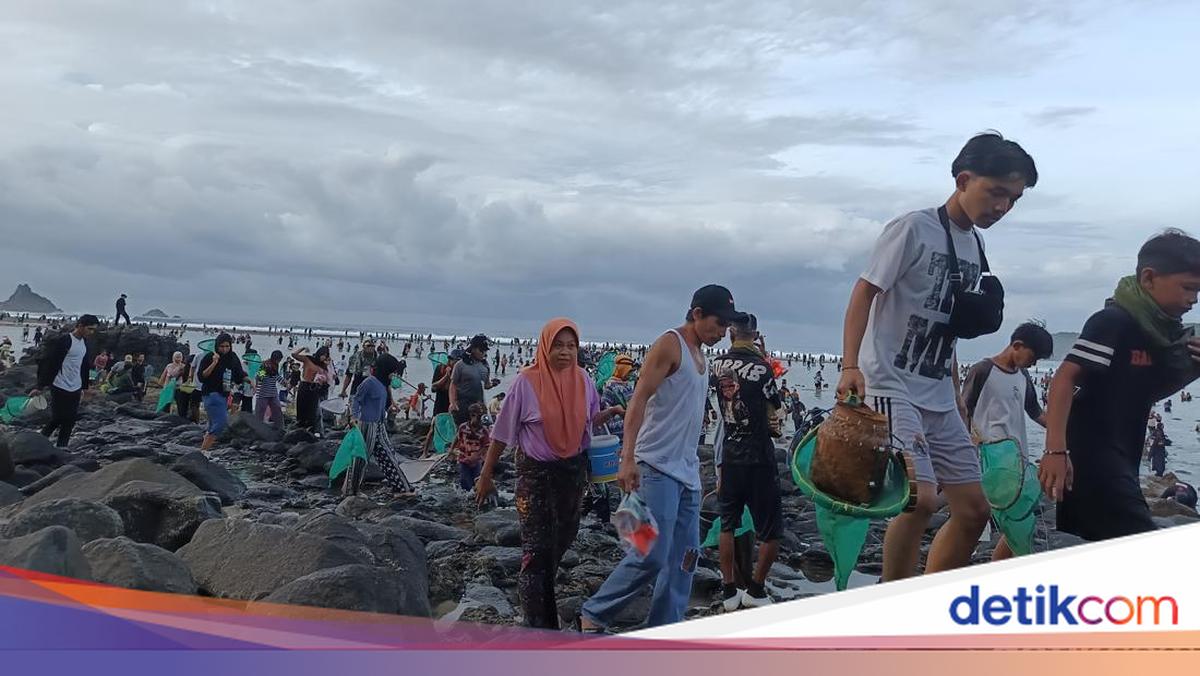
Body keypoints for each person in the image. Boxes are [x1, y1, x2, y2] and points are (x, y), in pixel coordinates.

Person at [836, 132, 1038, 580]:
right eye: (996, 192)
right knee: (921, 498)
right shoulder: (913, 228)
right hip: (890, 384)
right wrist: (850, 366)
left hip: (940, 395)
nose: (1003, 206)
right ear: (963, 180)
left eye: (1013, 199)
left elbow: (946, 330)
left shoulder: (975, 245)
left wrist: (957, 397)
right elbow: (864, 291)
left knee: (974, 509)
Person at [580, 285, 743, 632]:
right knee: (650, 554)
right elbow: (638, 399)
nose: (723, 332)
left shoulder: (702, 356)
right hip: (654, 467)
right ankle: (593, 614)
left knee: (685, 559)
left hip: (687, 474)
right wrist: (627, 458)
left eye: (728, 326)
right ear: (697, 314)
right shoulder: (670, 344)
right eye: (719, 323)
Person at [1041, 230, 1200, 540]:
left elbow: (1144, 394)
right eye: (1187, 288)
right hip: (1090, 456)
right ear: (1149, 278)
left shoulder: (1157, 333)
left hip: (1125, 457)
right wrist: (1055, 451)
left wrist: (1192, 370)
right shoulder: (1114, 322)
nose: (1193, 300)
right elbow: (1063, 378)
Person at [476, 318, 623, 629]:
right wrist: (486, 475)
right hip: (536, 476)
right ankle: (538, 623)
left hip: (572, 472)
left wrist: (608, 414)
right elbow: (501, 434)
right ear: (545, 347)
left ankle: (542, 605)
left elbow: (587, 420)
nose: (565, 352)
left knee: (563, 538)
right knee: (536, 551)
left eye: (571, 346)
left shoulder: (583, 379)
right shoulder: (525, 383)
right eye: (558, 345)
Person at [960, 322, 1054, 560]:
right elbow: (963, 410)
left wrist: (1062, 432)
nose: (1034, 364)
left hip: (1017, 461)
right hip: (989, 459)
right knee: (982, 522)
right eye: (1033, 357)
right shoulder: (982, 370)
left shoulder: (1023, 376)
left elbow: (1036, 412)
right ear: (1017, 345)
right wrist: (967, 444)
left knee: (1018, 521)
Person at [710, 313, 783, 610]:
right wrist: (763, 359)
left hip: (730, 453)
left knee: (727, 524)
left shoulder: (717, 365)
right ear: (755, 335)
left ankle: (729, 590)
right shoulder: (762, 367)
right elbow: (776, 405)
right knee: (772, 530)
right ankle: (756, 589)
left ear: (731, 334)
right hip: (759, 456)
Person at [343, 354, 413, 496]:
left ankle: (401, 487)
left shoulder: (383, 385)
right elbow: (356, 400)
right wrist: (354, 417)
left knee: (388, 454)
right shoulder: (369, 382)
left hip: (379, 424)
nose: (393, 375)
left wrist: (389, 409)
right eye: (392, 372)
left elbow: (380, 404)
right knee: (360, 458)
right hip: (366, 425)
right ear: (385, 370)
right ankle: (351, 491)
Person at [32, 315, 99, 448]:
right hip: (59, 384)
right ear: (80, 326)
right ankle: (38, 443)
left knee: (70, 420)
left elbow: (83, 366)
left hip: (76, 386)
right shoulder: (65, 340)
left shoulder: (85, 343)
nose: (91, 332)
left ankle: (62, 448)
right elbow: (50, 364)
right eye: (89, 329)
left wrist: (85, 387)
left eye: (93, 330)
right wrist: (40, 386)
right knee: (58, 418)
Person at [198, 334, 247, 452]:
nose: (224, 349)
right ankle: (203, 453)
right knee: (220, 423)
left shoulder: (232, 357)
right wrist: (214, 363)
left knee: (213, 424)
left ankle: (203, 452)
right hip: (211, 394)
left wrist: (250, 381)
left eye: (227, 346)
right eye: (221, 346)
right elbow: (201, 377)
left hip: (224, 394)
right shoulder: (210, 356)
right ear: (217, 346)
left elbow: (239, 374)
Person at [450, 334, 500, 426]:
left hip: (479, 405)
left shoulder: (485, 366)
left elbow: (486, 385)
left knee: (482, 429)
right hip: (463, 404)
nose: (483, 353)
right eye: (481, 350)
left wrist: (493, 384)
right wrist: (453, 403)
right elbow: (453, 385)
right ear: (473, 349)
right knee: (462, 429)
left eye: (485, 351)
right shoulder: (460, 365)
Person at [293, 345, 333, 437]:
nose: (323, 357)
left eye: (326, 355)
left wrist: (329, 364)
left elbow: (329, 379)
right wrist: (303, 348)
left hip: (315, 388)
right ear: (319, 353)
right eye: (323, 355)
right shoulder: (308, 359)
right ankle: (300, 428)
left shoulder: (323, 366)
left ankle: (311, 431)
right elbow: (294, 355)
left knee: (312, 411)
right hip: (305, 385)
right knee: (301, 408)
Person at [452, 402, 491, 492]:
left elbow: (486, 446)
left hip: (476, 461)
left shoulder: (484, 431)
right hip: (463, 459)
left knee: (477, 481)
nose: (479, 420)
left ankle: (475, 494)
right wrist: (451, 450)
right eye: (478, 417)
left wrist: (477, 455)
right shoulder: (463, 427)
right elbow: (457, 438)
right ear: (472, 415)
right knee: (464, 481)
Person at [255, 350, 286, 427]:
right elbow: (259, 378)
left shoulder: (276, 365)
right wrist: (264, 370)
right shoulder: (264, 365)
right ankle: (257, 428)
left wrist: (284, 382)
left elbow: (276, 376)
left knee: (277, 410)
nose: (279, 361)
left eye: (280, 360)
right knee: (260, 412)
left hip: (273, 393)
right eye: (278, 359)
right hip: (263, 393)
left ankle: (280, 427)